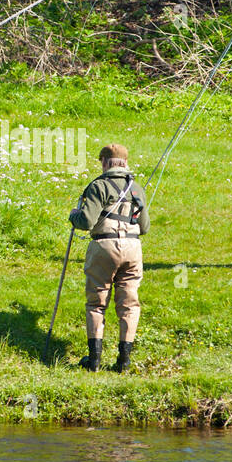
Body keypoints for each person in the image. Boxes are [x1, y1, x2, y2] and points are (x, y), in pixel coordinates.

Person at [68, 144, 149, 372]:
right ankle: (123, 361)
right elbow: (145, 227)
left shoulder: (98, 186)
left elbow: (86, 222)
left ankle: (93, 362)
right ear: (125, 161)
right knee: (129, 304)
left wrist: (73, 216)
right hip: (133, 248)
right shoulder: (137, 188)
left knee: (96, 303)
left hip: (104, 246)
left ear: (104, 162)